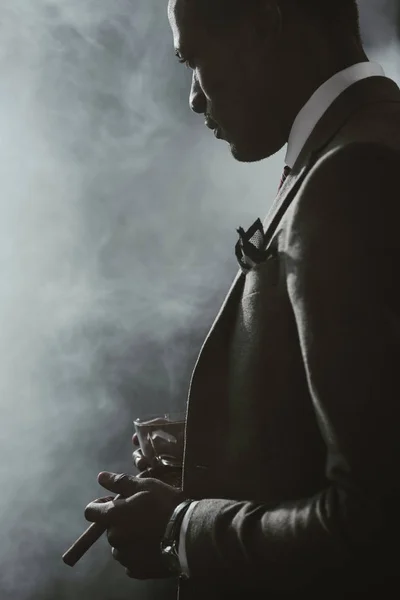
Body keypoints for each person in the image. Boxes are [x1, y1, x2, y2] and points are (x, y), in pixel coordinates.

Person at [84, 1, 400, 597]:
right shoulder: (372, 136)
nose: (194, 98)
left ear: (264, 22)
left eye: (193, 58)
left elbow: (375, 521)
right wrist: (236, 440)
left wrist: (181, 530)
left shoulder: (348, 175)